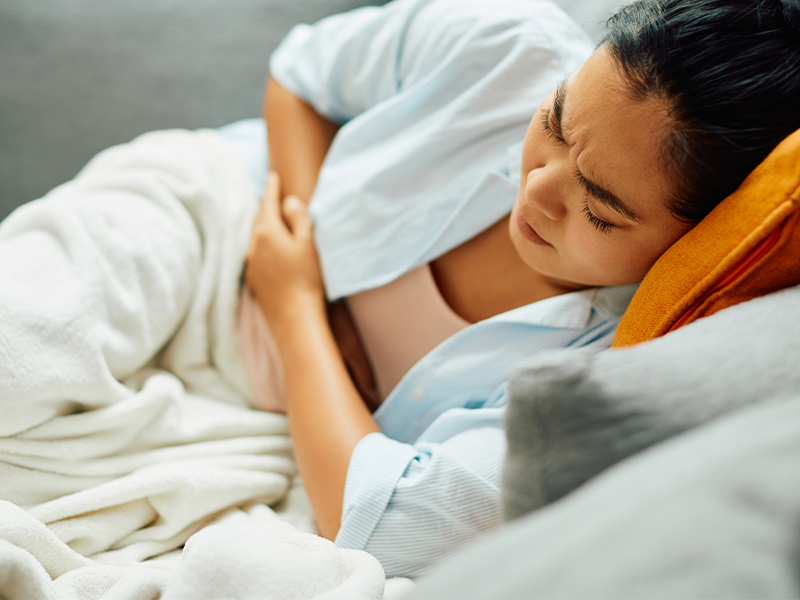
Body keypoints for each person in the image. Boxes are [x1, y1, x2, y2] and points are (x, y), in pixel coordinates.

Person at [236, 0, 800, 577]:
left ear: (702, 237)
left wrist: (296, 309)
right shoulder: (504, 43)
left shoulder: (606, 366)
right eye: (553, 122)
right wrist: (303, 241)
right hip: (225, 212)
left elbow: (385, 524)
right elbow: (302, 73)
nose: (536, 189)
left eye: (600, 208)